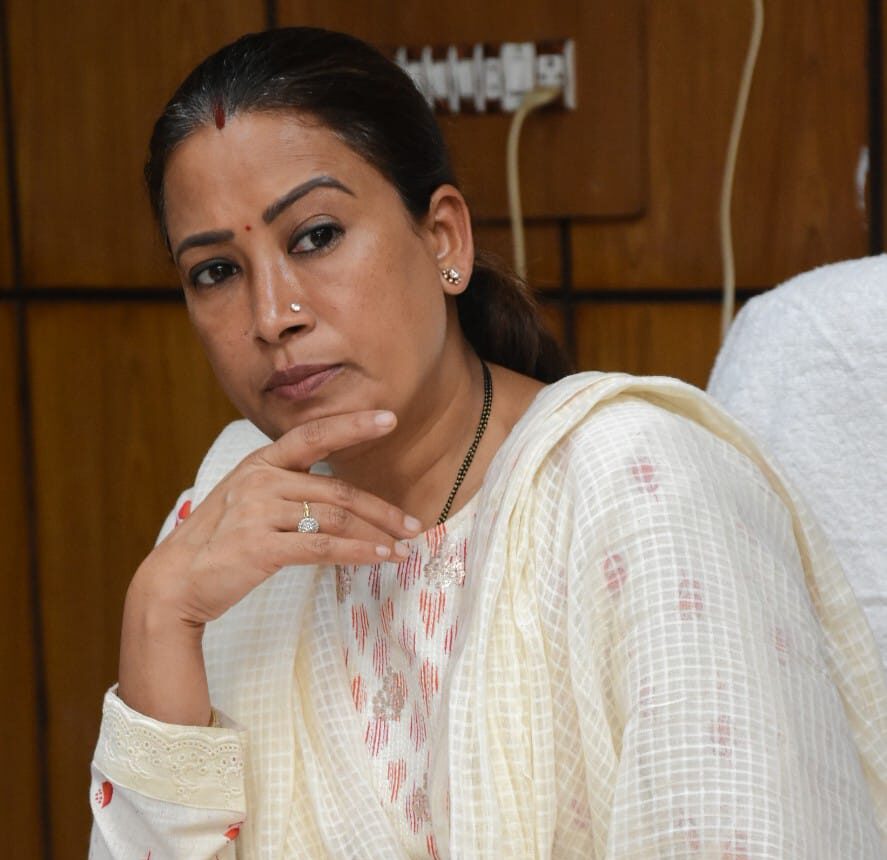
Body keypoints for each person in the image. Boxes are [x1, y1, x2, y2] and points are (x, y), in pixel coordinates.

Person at [89, 27, 887, 859]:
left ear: (444, 239)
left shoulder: (637, 486)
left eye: (315, 236)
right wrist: (159, 616)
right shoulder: (226, 521)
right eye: (215, 271)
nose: (271, 315)